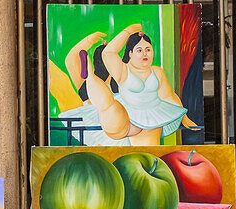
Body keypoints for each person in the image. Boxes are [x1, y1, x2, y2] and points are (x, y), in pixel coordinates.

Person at [58, 24, 197, 146]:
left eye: (148, 49)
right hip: (122, 118)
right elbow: (108, 53)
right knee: (108, 106)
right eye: (139, 50)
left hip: (145, 116)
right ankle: (90, 75)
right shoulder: (123, 72)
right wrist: (128, 31)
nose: (145, 53)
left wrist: (183, 116)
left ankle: (90, 76)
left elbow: (168, 95)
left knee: (110, 107)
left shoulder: (155, 72)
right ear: (130, 54)